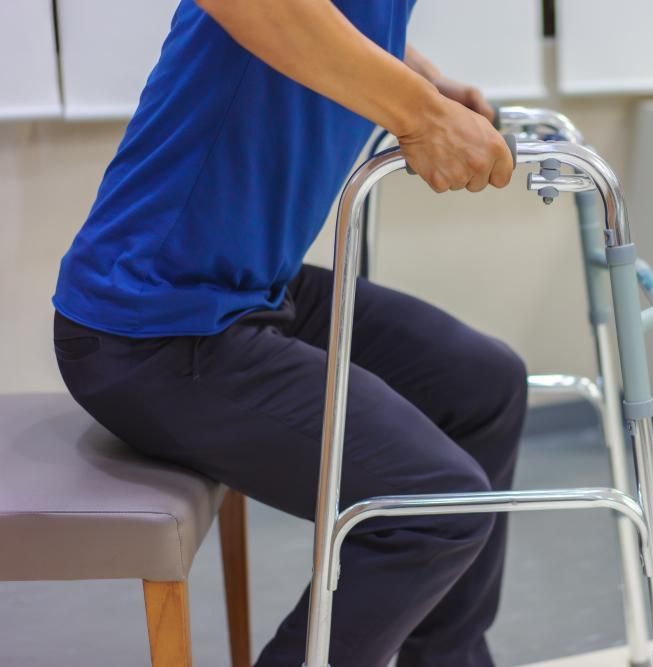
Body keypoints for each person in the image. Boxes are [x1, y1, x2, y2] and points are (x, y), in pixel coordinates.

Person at [51, 1, 525, 665]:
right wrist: (420, 114)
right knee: (431, 505)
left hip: (250, 288)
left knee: (481, 384)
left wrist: (423, 84)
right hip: (153, 323)